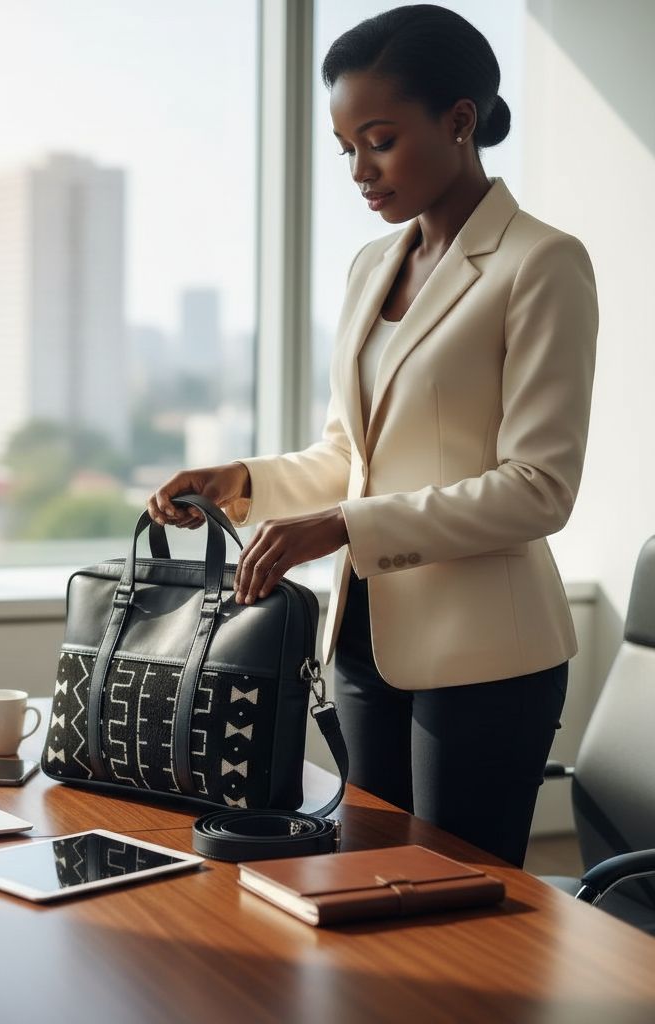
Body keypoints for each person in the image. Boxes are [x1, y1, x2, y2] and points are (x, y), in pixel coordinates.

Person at [147, 4, 598, 868]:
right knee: (365, 883)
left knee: (458, 904)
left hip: (487, 656)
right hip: (360, 645)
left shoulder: (540, 262)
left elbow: (540, 487)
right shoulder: (370, 267)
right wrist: (241, 480)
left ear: (459, 120)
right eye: (345, 148)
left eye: (380, 141)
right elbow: (350, 456)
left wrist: (346, 526)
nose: (360, 170)